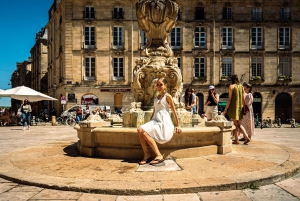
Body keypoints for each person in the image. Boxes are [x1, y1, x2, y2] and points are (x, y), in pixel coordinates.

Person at [137, 78, 181, 165]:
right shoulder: (156, 97)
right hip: (155, 120)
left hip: (163, 122)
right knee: (140, 130)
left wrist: (178, 125)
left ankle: (158, 155)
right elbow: (154, 110)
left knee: (145, 133)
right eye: (157, 84)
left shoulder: (168, 96)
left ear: (165, 85)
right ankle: (147, 154)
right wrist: (149, 122)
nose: (159, 86)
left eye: (161, 84)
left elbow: (174, 111)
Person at [222, 75, 251, 145]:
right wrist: (244, 106)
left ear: (232, 80)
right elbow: (243, 98)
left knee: (234, 125)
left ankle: (238, 140)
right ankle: (245, 137)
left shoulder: (231, 87)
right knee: (238, 124)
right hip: (239, 108)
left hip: (233, 108)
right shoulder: (241, 87)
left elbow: (229, 99)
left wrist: (226, 109)